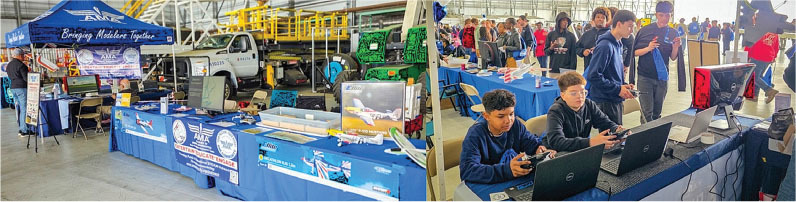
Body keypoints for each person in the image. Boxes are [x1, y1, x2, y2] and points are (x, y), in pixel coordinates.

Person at [459, 89, 557, 184]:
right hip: (489, 182)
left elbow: (530, 143)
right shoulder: (475, 135)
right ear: (486, 116)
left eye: (511, 114)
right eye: (501, 116)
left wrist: (539, 149)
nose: (508, 120)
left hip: (510, 178)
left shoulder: (515, 125)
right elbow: (467, 170)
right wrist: (507, 170)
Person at [543, 71, 627, 152]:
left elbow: (605, 122)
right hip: (558, 152)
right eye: (573, 93)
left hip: (581, 149)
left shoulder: (588, 104)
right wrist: (590, 142)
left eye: (582, 92)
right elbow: (556, 141)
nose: (579, 96)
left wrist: (617, 129)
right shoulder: (556, 111)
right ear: (563, 95)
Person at [585, 10, 638, 125]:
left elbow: (611, 73)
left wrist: (623, 85)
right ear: (619, 24)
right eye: (629, 26)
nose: (631, 30)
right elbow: (593, 76)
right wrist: (618, 89)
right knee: (613, 134)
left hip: (613, 97)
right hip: (606, 101)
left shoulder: (618, 44)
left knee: (617, 133)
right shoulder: (605, 46)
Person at [634, 1, 682, 122]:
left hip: (662, 78)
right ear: (656, 14)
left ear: (671, 15)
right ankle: (645, 134)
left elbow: (673, 57)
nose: (664, 18)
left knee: (657, 113)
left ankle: (655, 133)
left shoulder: (673, 33)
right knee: (646, 113)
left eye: (667, 15)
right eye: (661, 15)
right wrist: (648, 48)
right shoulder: (645, 31)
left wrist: (676, 47)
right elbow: (634, 52)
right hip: (645, 77)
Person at [7, 48, 30, 136]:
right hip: (21, 88)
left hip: (13, 88)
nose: (24, 57)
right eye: (23, 55)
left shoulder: (9, 65)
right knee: (24, 109)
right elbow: (26, 78)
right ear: (19, 56)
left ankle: (21, 128)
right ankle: (24, 130)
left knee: (20, 108)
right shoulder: (21, 65)